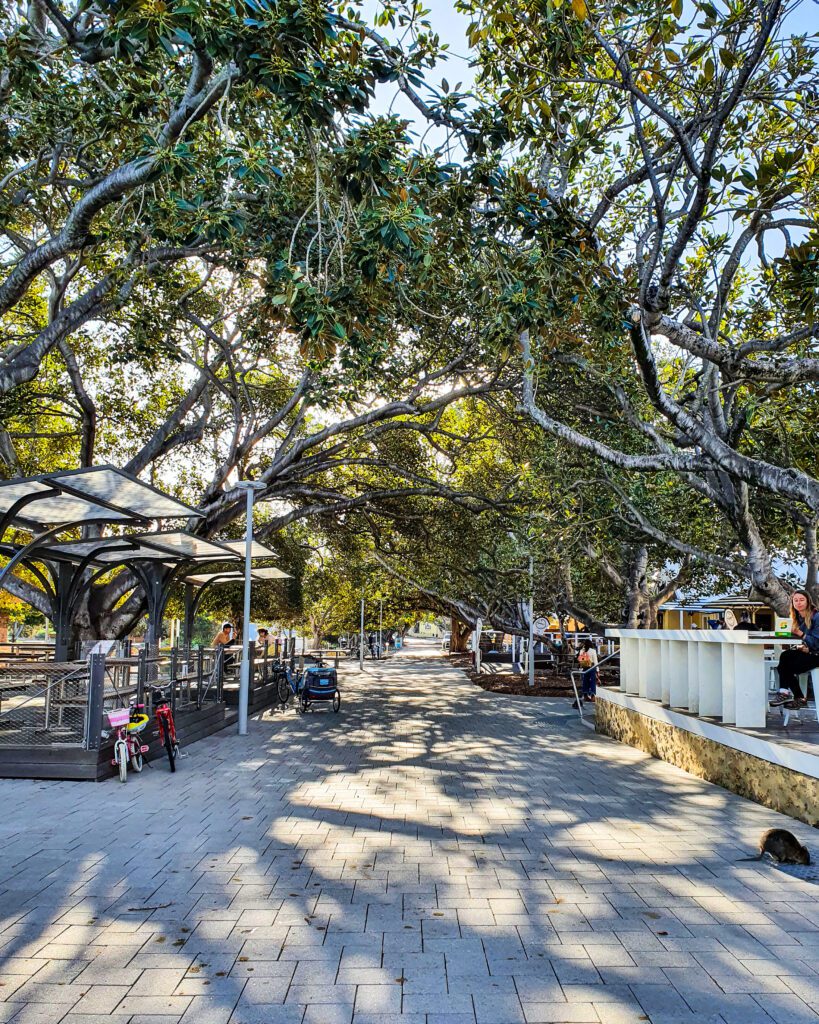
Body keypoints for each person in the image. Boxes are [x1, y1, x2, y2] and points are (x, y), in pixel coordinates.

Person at [770, 590, 819, 708]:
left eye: (802, 600)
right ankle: (791, 695)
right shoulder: (796, 618)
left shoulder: (817, 616)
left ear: (808, 601)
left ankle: (794, 696)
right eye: (795, 600)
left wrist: (800, 633)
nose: (799, 603)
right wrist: (802, 646)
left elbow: (817, 642)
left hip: (817, 654)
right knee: (785, 656)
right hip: (809, 652)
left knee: (784, 667)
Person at [572, 639, 598, 708]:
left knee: (585, 681)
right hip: (592, 667)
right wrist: (597, 670)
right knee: (592, 681)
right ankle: (593, 696)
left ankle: (585, 695)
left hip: (584, 668)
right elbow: (595, 661)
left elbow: (580, 660)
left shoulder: (582, 651)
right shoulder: (593, 651)